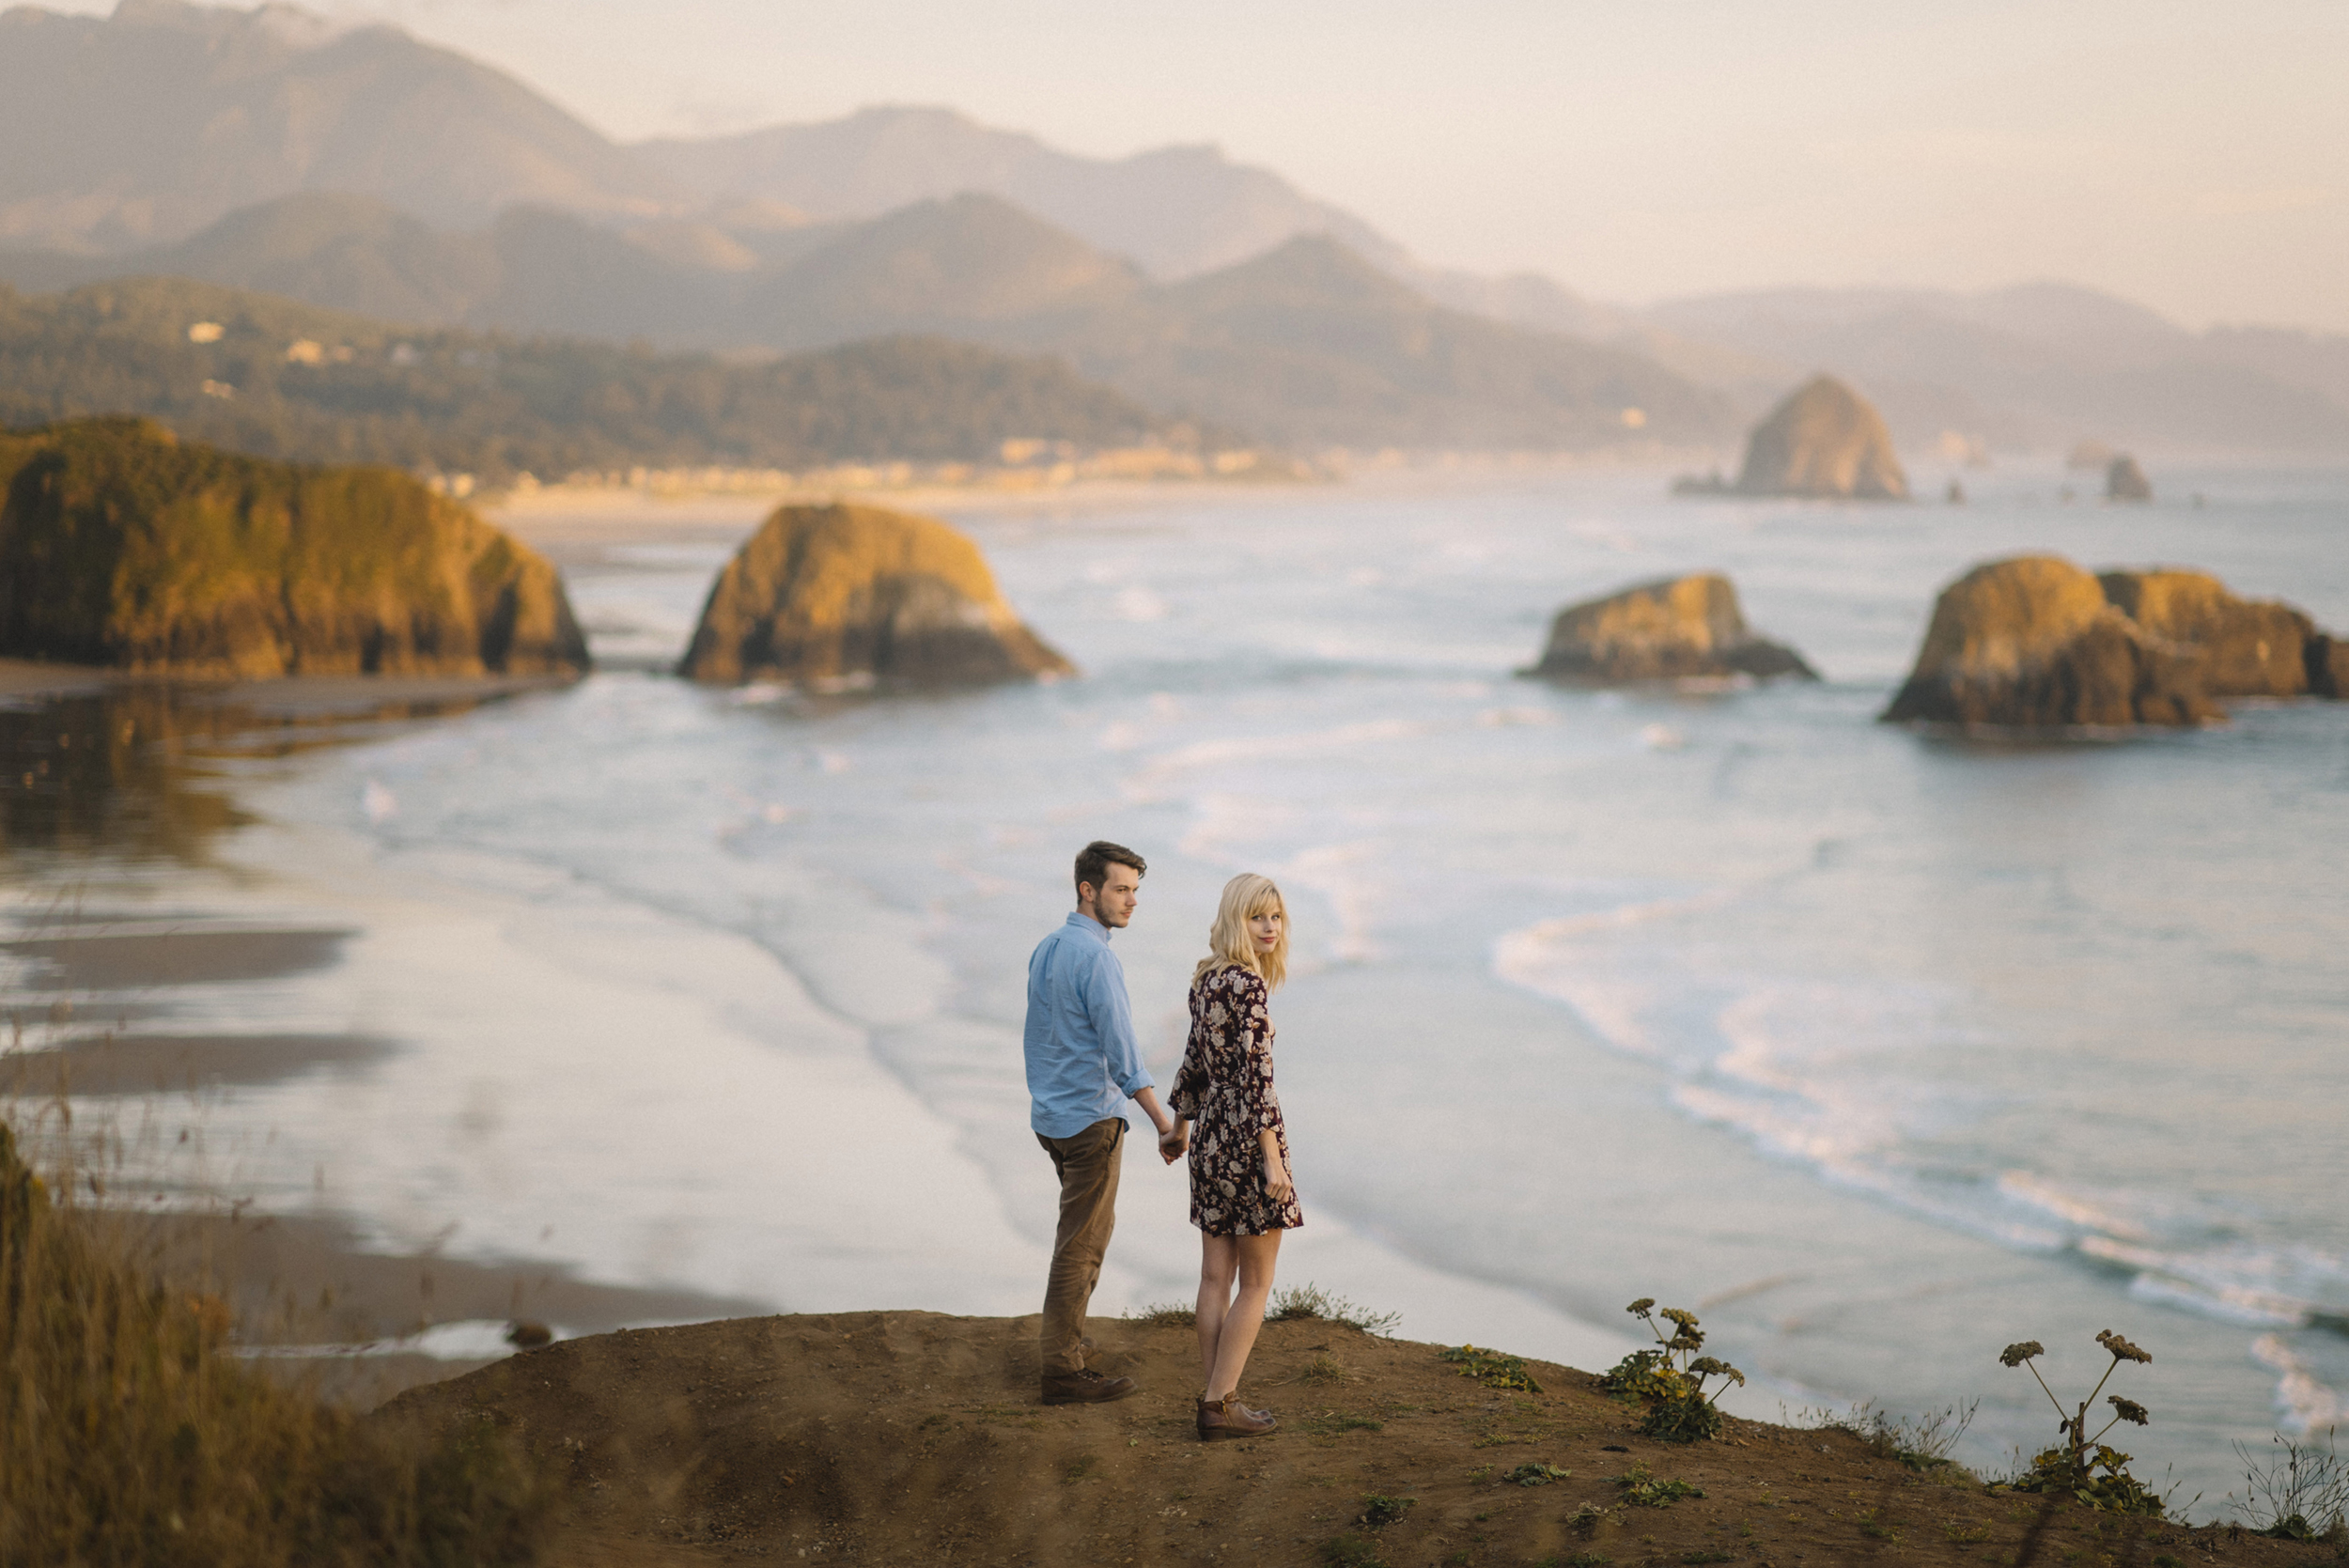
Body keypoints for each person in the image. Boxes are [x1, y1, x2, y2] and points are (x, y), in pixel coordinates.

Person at [1022, 840, 1184, 1405]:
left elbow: (1043, 1036)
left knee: (1084, 1236)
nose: (1132, 900)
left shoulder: (1048, 947)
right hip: (1089, 1121)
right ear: (1088, 890)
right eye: (1121, 888)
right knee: (1081, 1246)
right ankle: (1061, 1370)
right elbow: (1123, 1056)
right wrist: (1165, 1123)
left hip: (1052, 1116)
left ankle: (1067, 1343)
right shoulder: (1096, 957)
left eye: (1136, 890)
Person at [1166, 872, 1303, 1440]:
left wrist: (1180, 1129)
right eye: (1257, 916)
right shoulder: (1247, 988)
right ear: (1234, 920)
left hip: (1212, 1139)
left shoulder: (1204, 981)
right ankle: (1220, 1404)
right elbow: (1257, 1084)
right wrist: (1272, 1161)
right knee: (1255, 1282)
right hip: (1249, 1140)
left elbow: (1193, 1063)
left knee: (1214, 1275)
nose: (1269, 927)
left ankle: (1213, 1401)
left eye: (1275, 916)